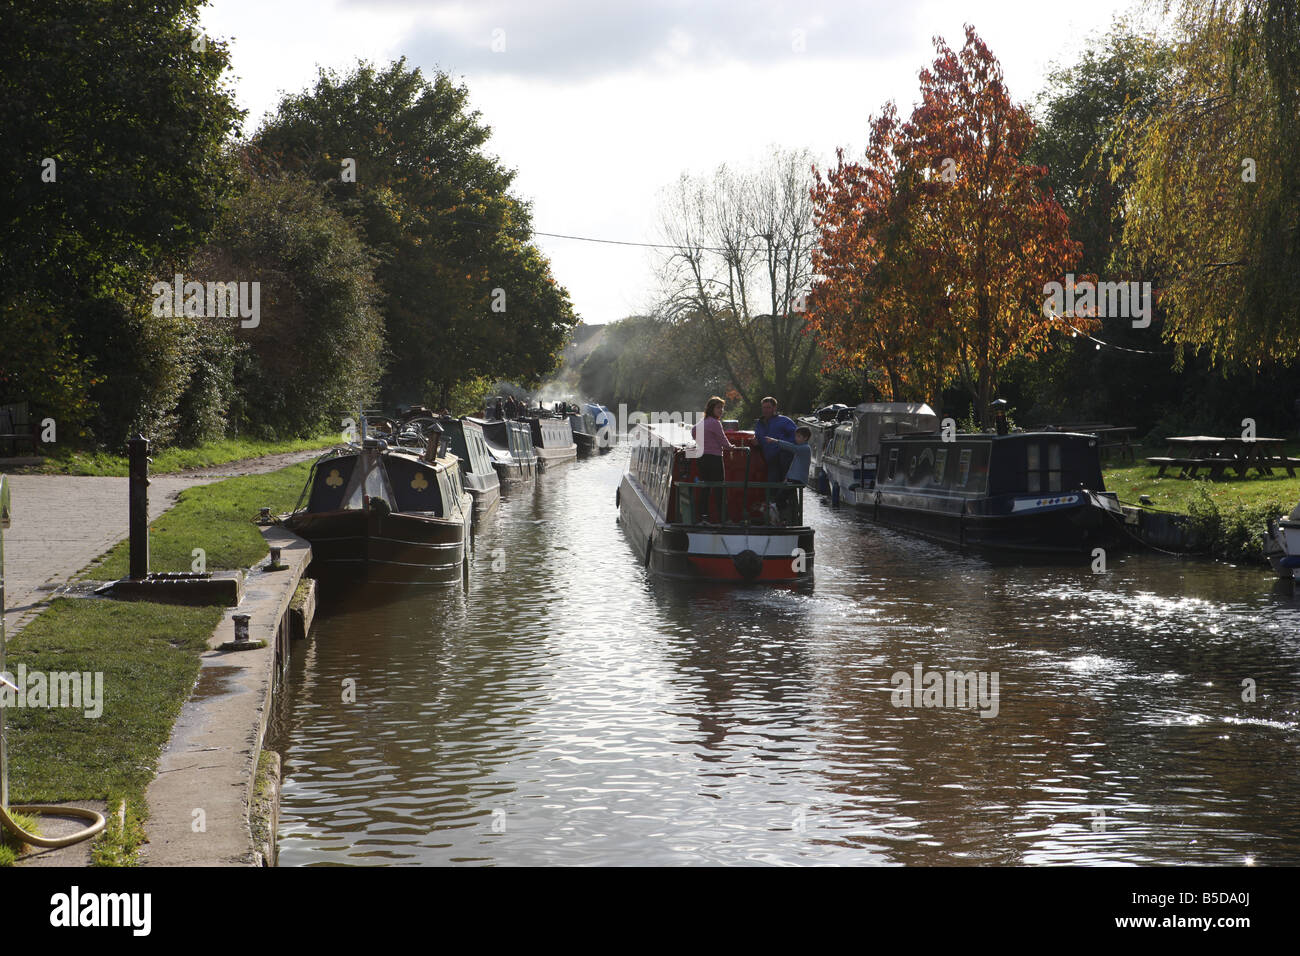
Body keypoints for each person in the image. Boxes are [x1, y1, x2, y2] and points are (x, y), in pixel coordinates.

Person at [690, 396, 735, 525]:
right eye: (718, 407)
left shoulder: (701, 422)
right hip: (714, 459)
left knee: (705, 488)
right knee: (719, 488)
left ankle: (703, 518)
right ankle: (724, 519)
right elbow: (723, 440)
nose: (721, 410)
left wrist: (701, 442)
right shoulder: (715, 423)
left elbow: (693, 432)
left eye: (722, 407)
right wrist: (731, 447)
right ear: (711, 408)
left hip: (702, 459)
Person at [765, 426, 812, 524]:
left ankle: (784, 518)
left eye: (799, 436)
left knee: (780, 498)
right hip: (793, 479)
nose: (796, 438)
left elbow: (792, 447)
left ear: (805, 438)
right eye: (796, 436)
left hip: (798, 479)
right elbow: (793, 466)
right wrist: (787, 478)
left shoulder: (805, 448)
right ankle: (786, 518)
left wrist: (775, 441)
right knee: (784, 498)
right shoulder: (801, 448)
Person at [753, 396, 797, 481]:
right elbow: (760, 440)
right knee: (773, 486)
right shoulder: (759, 423)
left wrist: (782, 447)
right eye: (764, 408)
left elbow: (796, 437)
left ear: (774, 408)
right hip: (770, 460)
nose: (766, 410)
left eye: (768, 407)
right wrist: (757, 443)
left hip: (784, 459)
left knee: (787, 487)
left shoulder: (784, 421)